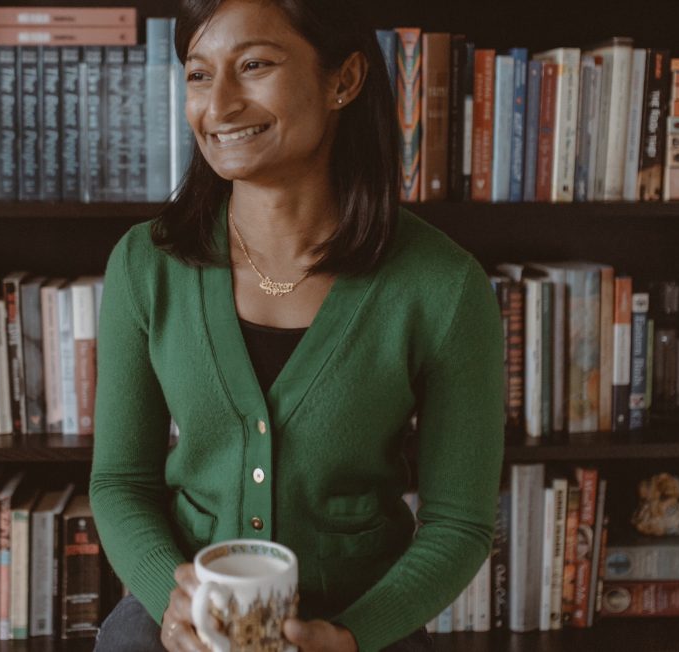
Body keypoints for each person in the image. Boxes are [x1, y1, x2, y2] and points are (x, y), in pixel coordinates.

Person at [90, 0, 504, 650]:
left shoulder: (444, 287)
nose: (219, 106)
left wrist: (350, 635)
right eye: (199, 74)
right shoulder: (147, 265)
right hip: (180, 622)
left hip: (365, 622)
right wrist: (171, 596)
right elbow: (120, 482)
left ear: (343, 80)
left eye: (253, 65)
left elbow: (459, 524)